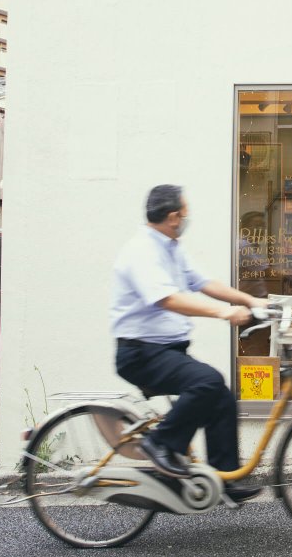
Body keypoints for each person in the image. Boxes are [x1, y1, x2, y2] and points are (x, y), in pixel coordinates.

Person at [111, 184, 262, 501]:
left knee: (221, 397)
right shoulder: (142, 250)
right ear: (172, 217)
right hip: (141, 353)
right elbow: (167, 299)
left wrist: (250, 300)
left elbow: (204, 283)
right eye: (185, 212)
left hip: (165, 351)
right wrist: (224, 312)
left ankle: (223, 479)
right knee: (208, 381)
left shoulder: (172, 248)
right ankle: (160, 443)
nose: (187, 218)